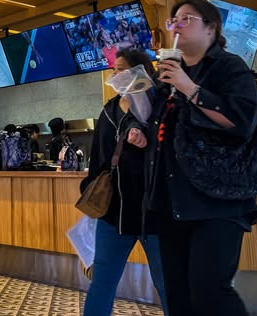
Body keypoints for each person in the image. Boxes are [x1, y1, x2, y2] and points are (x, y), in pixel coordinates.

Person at [146, 0, 257, 316]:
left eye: (186, 18)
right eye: (173, 20)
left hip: (219, 199)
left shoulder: (229, 67)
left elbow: (241, 121)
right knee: (178, 295)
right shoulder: (170, 74)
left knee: (210, 292)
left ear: (211, 28)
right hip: (173, 200)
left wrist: (190, 88)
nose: (176, 25)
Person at [82, 48, 167, 315]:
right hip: (114, 214)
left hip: (155, 213)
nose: (115, 75)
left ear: (140, 72)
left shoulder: (160, 105)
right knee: (102, 282)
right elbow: (98, 157)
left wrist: (143, 135)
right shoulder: (109, 109)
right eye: (114, 70)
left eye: (121, 70)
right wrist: (90, 187)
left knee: (167, 284)